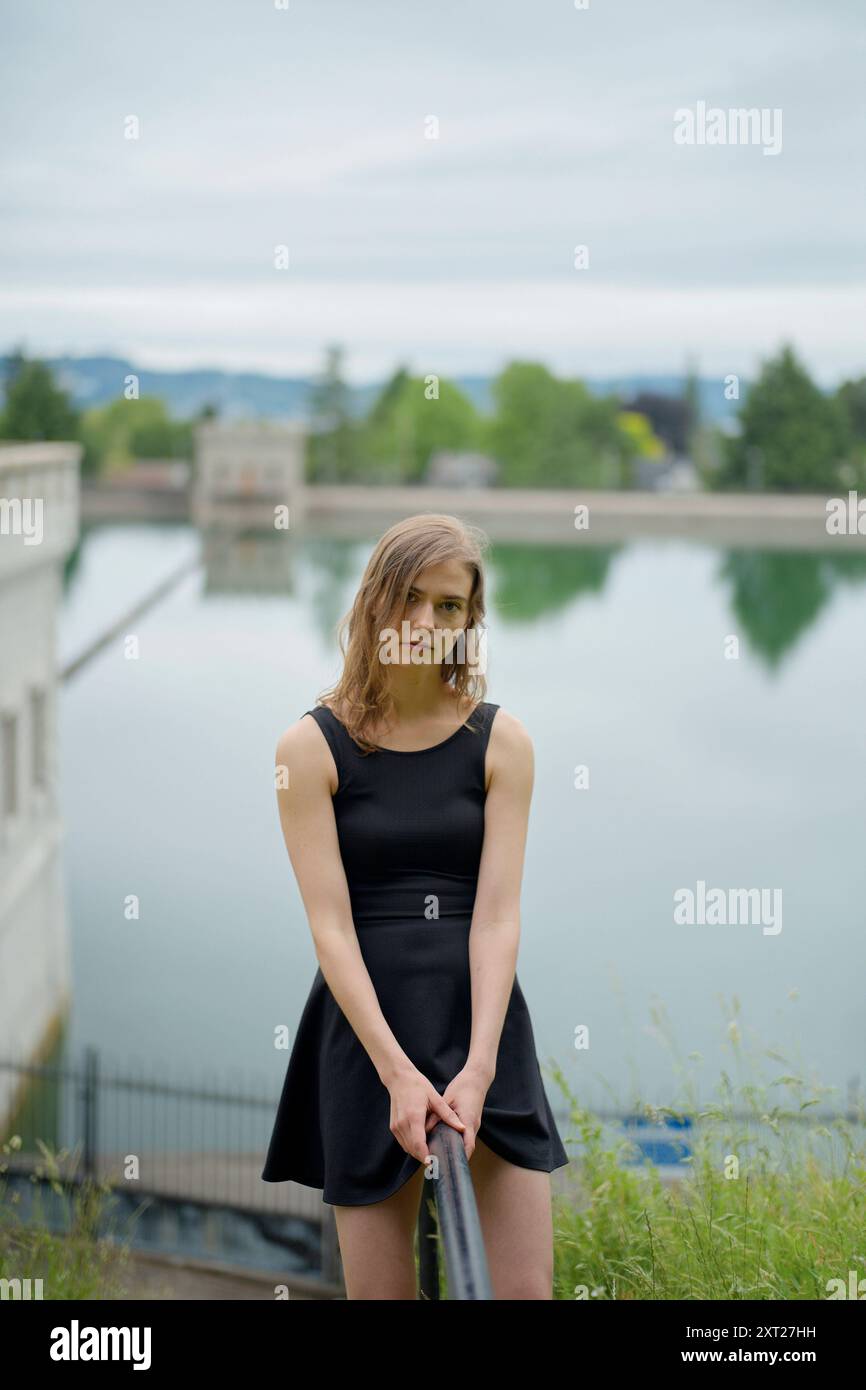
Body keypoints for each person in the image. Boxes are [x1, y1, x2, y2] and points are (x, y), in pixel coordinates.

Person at [261, 513, 569, 1299]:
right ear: (375, 601)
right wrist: (397, 1073)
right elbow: (329, 927)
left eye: (452, 605)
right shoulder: (307, 749)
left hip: (484, 1032)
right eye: (414, 597)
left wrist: (481, 1064)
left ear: (471, 621)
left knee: (524, 1294)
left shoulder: (504, 743)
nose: (429, 621)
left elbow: (499, 916)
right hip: (367, 1043)